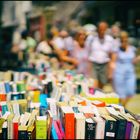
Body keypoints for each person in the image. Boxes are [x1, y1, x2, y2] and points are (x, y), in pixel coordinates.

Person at [110, 31, 140, 107]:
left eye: (125, 40)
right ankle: (121, 109)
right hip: (119, 74)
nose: (124, 41)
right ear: (120, 40)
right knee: (121, 95)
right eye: (122, 40)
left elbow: (133, 61)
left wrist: (138, 58)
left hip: (130, 74)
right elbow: (113, 62)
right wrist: (110, 74)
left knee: (131, 93)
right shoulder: (116, 50)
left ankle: (120, 107)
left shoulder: (132, 49)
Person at [88, 21, 114, 88]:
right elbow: (87, 51)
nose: (102, 31)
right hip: (93, 63)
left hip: (105, 64)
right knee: (94, 83)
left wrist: (111, 69)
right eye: (100, 29)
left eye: (104, 29)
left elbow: (112, 54)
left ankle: (98, 96)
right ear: (98, 29)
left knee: (102, 83)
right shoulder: (91, 38)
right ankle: (93, 96)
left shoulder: (110, 39)